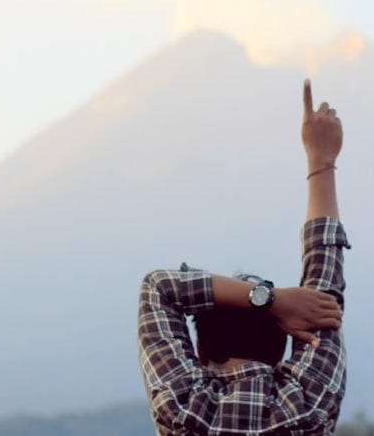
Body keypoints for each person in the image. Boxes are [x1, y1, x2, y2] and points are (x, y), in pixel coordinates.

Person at [137, 78, 351, 435]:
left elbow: (157, 287)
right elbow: (323, 290)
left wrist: (272, 301)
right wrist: (321, 160)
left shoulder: (183, 408)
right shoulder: (307, 406)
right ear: (283, 347)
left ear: (201, 351)